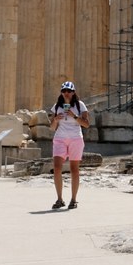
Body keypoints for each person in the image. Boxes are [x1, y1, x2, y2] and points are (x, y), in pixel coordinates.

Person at [48, 82, 88, 210]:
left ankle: (74, 199)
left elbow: (86, 124)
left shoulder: (80, 105)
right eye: (64, 90)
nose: (66, 93)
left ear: (73, 92)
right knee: (57, 168)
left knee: (74, 169)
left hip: (76, 138)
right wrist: (55, 120)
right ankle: (59, 199)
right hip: (60, 138)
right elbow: (52, 128)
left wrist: (74, 116)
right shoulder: (57, 106)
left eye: (69, 91)